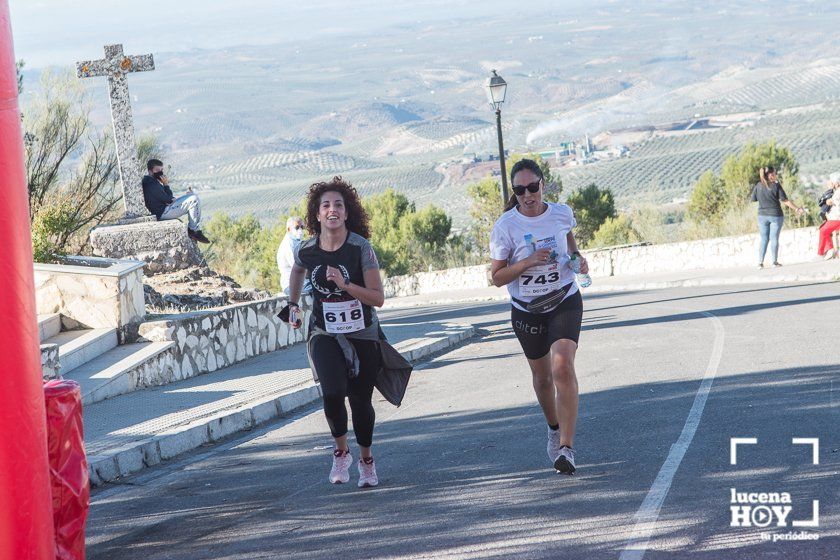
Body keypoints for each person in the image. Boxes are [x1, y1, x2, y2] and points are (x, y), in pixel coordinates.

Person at [284, 177, 388, 488]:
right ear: (316, 215)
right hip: (323, 331)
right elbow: (297, 269)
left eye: (338, 205)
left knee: (360, 401)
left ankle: (366, 460)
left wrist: (346, 286)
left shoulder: (360, 248)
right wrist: (291, 305)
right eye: (325, 205)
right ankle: (341, 452)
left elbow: (378, 298)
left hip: (362, 332)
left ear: (346, 213)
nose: (332, 210)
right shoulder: (309, 249)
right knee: (331, 392)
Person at [489, 159, 587, 475]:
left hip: (564, 300)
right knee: (543, 378)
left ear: (543, 184)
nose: (528, 195)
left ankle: (567, 449)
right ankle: (553, 427)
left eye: (533, 187)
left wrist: (578, 261)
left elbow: (571, 248)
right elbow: (498, 277)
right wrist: (527, 263)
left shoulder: (561, 213)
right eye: (520, 190)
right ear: (514, 193)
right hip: (526, 310)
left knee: (562, 367)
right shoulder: (506, 226)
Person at [142, 159, 209, 243]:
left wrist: (174, 198)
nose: (161, 173)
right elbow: (168, 199)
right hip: (162, 213)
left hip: (164, 209)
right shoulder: (151, 183)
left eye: (162, 170)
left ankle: (194, 230)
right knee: (194, 200)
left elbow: (167, 198)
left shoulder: (153, 181)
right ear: (150, 171)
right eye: (157, 170)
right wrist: (166, 184)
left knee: (191, 197)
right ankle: (193, 231)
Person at [750, 166, 804, 268]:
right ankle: (774, 262)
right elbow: (785, 200)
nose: (776, 175)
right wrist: (797, 209)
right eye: (774, 174)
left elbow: (753, 199)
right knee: (774, 238)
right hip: (776, 215)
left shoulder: (758, 185)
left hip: (762, 216)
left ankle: (760, 263)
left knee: (764, 239)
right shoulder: (776, 185)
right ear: (769, 175)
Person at [276, 216, 310, 295]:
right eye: (297, 227)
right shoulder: (288, 245)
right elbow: (298, 267)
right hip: (291, 285)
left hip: (302, 282)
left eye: (302, 227)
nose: (300, 230)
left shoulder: (297, 241)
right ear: (289, 229)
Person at [817, 172, 840, 260]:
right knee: (823, 229)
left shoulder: (838, 192)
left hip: (837, 218)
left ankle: (821, 253)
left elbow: (828, 201)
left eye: (833, 182)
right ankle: (830, 250)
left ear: (837, 183)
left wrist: (830, 189)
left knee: (823, 230)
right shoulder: (837, 192)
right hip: (835, 218)